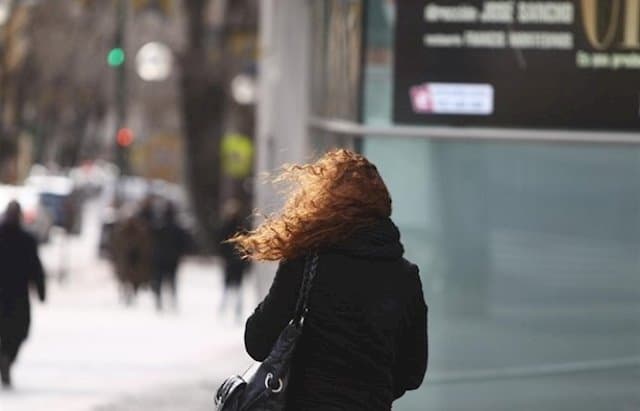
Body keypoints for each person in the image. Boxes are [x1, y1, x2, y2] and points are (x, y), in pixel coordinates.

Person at [228, 149, 428, 410]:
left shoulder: (306, 262)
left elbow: (258, 343)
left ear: (323, 204)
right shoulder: (405, 277)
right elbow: (412, 373)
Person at [0, 201, 46, 388]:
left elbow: (36, 267)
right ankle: (6, 358)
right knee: (17, 331)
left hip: (16, 294)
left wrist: (41, 289)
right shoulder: (26, 239)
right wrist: (41, 290)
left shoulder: (27, 239)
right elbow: (37, 269)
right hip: (16, 296)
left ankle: (5, 359)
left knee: (19, 332)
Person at [151, 202, 188, 311]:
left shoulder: (159, 226)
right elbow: (183, 243)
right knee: (171, 281)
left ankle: (161, 301)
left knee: (161, 281)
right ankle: (171, 301)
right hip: (171, 258)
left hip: (162, 259)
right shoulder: (176, 228)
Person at [218, 199, 251, 321]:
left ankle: (231, 309)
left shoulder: (234, 227)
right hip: (235, 262)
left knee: (233, 287)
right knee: (233, 286)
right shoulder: (241, 228)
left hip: (235, 262)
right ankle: (228, 309)